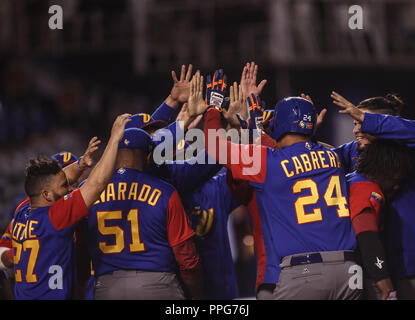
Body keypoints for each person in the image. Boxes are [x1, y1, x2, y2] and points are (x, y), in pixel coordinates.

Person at [198, 79, 361, 299]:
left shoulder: (269, 161)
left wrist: (213, 106)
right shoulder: (333, 156)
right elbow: (299, 150)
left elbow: (216, 146)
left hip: (304, 272)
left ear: (279, 125)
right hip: (350, 271)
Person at [4, 114, 131, 299]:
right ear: (46, 195)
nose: (69, 189)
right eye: (65, 187)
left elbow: (50, 181)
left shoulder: (21, 211)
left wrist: (80, 164)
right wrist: (114, 139)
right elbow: (98, 183)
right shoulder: (57, 215)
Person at [85, 127, 203, 300]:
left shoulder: (88, 192)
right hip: (157, 284)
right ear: (149, 157)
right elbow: (186, 255)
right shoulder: (165, 191)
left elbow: (78, 249)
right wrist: (195, 292)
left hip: (107, 287)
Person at [331, 92, 415, 299]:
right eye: (355, 122)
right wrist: (306, 136)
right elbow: (324, 156)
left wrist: (368, 120)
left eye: (361, 122)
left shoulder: (408, 149)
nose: (357, 129)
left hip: (409, 265)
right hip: (372, 267)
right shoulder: (354, 152)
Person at [347, 139, 413, 300]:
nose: (396, 187)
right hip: (360, 271)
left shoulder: (349, 179)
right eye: (395, 180)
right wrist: (383, 280)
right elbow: (366, 236)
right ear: (381, 171)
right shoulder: (367, 188)